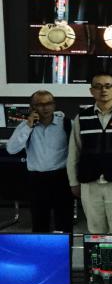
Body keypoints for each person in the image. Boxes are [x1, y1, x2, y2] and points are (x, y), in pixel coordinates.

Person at [67, 72, 112, 234]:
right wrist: (73, 181)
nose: (103, 90)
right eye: (98, 87)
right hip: (89, 181)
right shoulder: (82, 117)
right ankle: (98, 252)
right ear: (91, 91)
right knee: (95, 229)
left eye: (107, 86)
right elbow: (74, 151)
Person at [5, 90, 73, 233]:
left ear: (54, 105)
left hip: (62, 178)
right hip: (37, 180)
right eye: (40, 104)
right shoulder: (26, 126)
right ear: (32, 107)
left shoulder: (67, 124)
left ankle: (66, 247)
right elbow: (11, 149)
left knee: (64, 221)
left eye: (49, 103)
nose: (45, 107)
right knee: (39, 221)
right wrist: (28, 126)